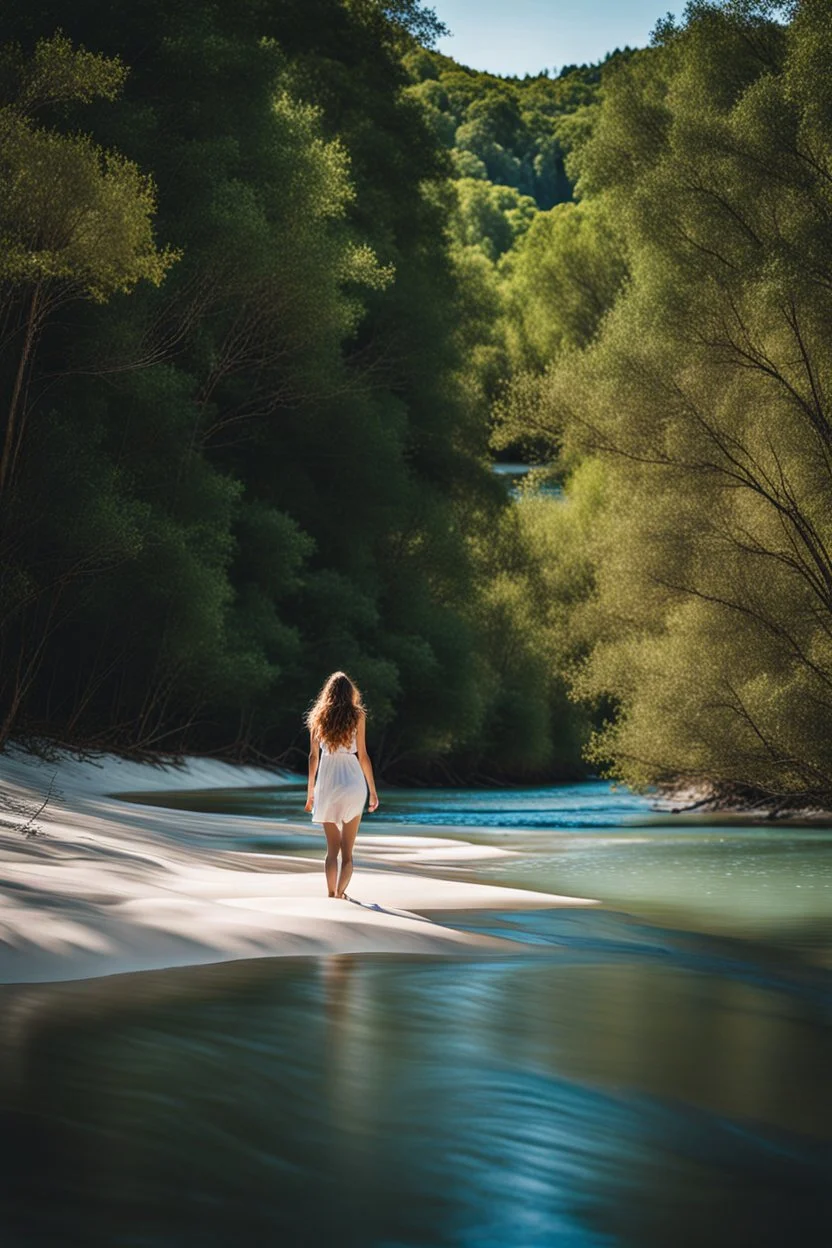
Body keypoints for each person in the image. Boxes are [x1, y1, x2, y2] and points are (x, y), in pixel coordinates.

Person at [304, 671, 379, 898]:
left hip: (327, 782)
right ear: (350, 693)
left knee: (331, 851)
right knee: (347, 853)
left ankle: (330, 894)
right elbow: (363, 755)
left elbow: (313, 757)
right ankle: (340, 893)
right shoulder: (357, 715)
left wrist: (310, 793)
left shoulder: (317, 716)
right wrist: (373, 791)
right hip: (353, 781)